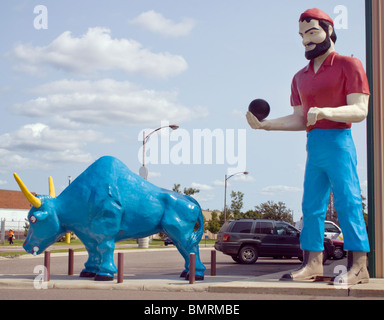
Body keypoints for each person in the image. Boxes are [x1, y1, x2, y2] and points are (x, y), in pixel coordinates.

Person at [246, 8, 370, 285]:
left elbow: (360, 110)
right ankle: (313, 264)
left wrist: (326, 112)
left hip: (339, 142)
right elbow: (300, 118)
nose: (306, 40)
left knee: (349, 202)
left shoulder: (349, 65)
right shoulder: (299, 76)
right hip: (314, 146)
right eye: (302, 35)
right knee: (311, 206)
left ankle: (360, 266)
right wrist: (265, 125)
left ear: (329, 30)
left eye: (312, 32)